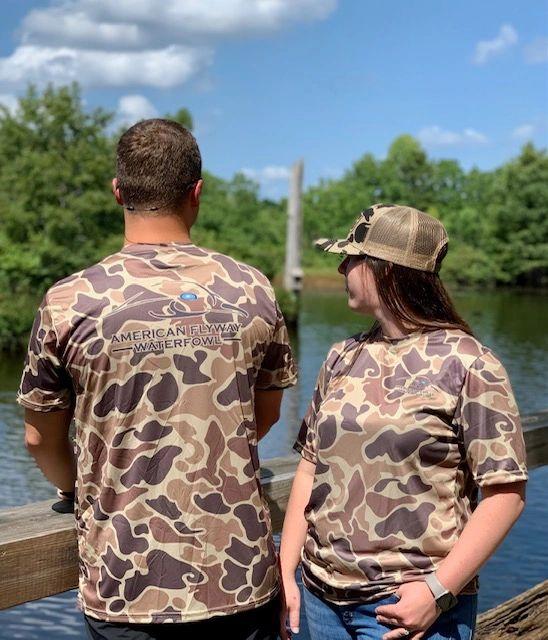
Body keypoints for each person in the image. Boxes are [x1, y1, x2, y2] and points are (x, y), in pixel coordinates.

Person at [18, 118, 297, 640]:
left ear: (118, 191)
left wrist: (80, 488)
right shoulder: (252, 289)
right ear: (197, 193)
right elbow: (266, 414)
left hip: (125, 583)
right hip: (239, 578)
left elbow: (39, 437)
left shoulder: (69, 300)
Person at [279, 203, 527, 640]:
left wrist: (436, 591)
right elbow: (310, 466)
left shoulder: (468, 363)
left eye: (351, 258)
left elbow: (505, 494)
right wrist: (287, 570)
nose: (340, 268)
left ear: (386, 270)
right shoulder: (341, 357)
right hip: (320, 600)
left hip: (407, 610)